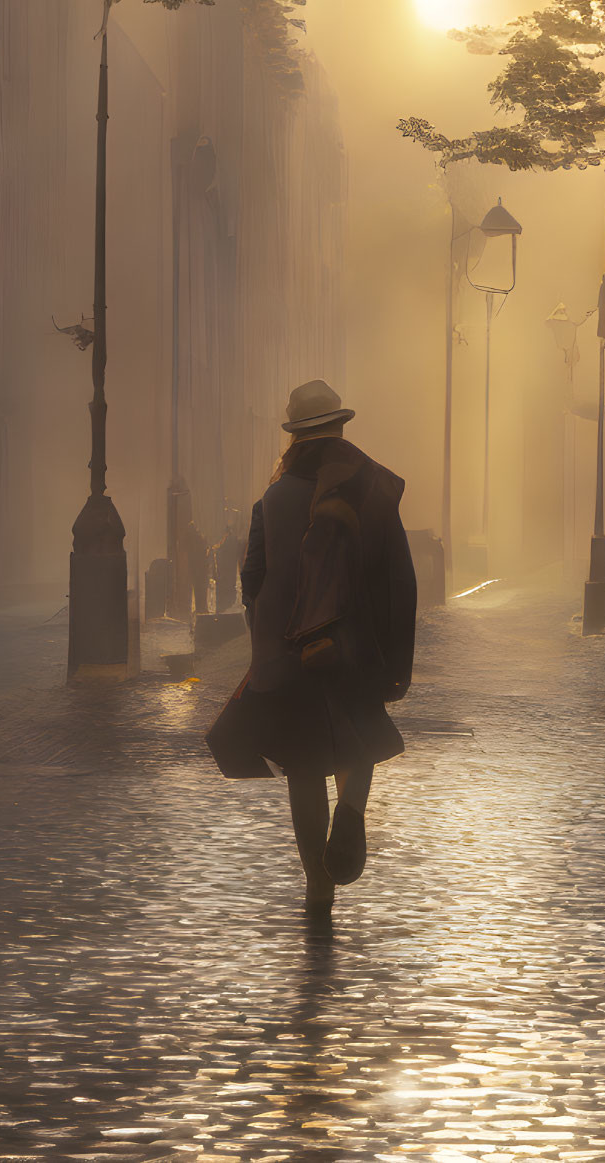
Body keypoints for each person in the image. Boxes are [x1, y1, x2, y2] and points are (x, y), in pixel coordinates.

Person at [205, 379, 417, 913]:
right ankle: (351, 810)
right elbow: (398, 578)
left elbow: (251, 578)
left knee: (304, 767)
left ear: (295, 436)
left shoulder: (272, 499)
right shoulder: (371, 489)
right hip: (355, 644)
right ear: (340, 427)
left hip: (289, 655)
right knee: (360, 737)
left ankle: (317, 886)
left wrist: (271, 633)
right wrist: (395, 656)